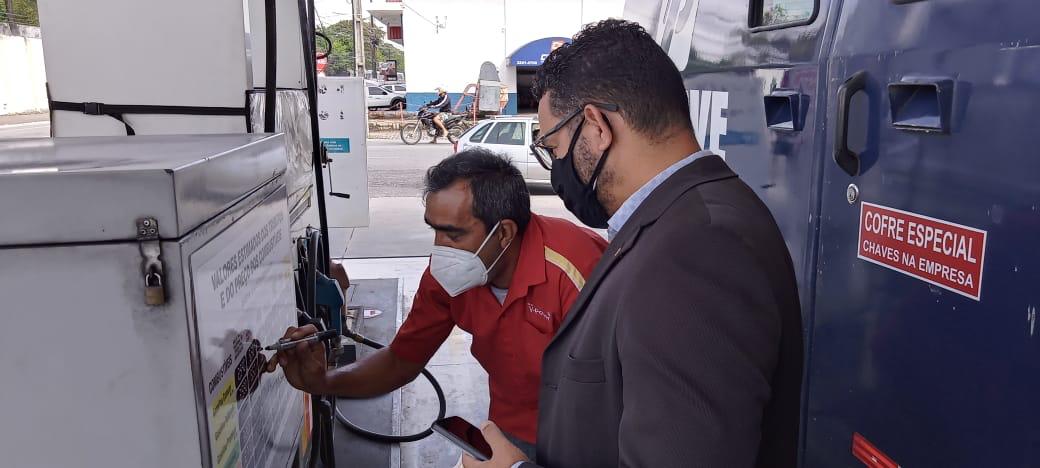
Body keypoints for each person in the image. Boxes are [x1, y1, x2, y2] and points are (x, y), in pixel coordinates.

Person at [464, 20, 804, 468]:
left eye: (554, 146)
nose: (557, 166)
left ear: (596, 126)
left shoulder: (697, 253)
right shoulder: (680, 219)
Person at [268, 148, 607, 459]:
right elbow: (402, 360)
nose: (440, 249)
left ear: (503, 233)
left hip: (591, 437)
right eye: (434, 231)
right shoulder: (448, 276)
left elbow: (626, 389)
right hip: (508, 431)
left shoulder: (577, 272)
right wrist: (323, 382)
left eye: (453, 234)